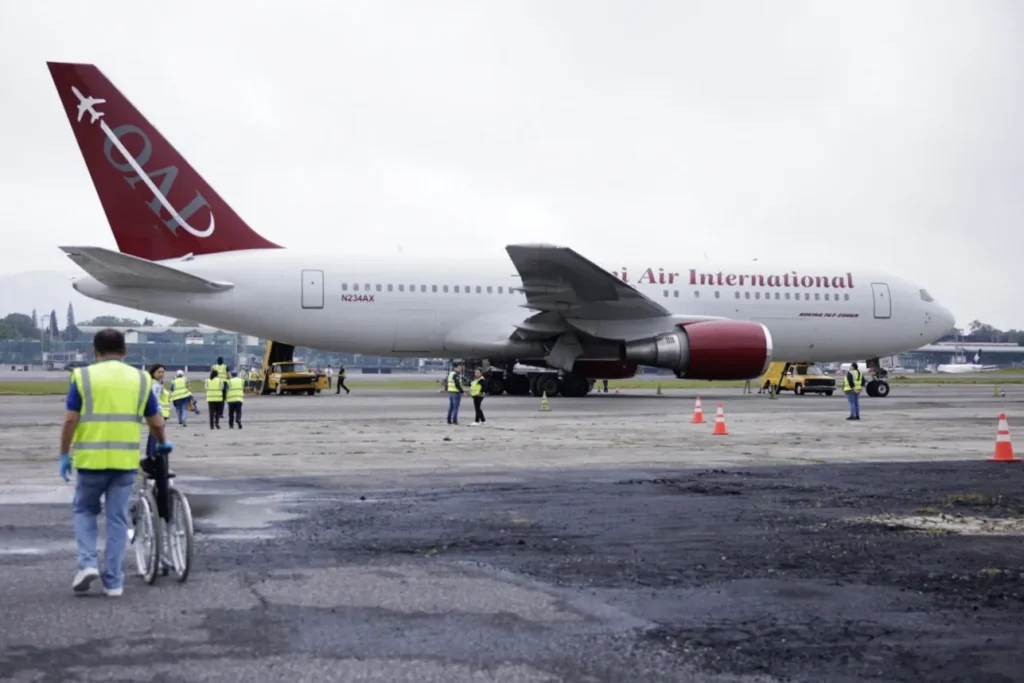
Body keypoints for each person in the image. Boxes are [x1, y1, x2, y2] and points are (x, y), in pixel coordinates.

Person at [59, 328, 171, 597]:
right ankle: (114, 581)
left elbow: (70, 419)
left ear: (94, 351)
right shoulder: (140, 379)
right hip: (124, 462)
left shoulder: (83, 376)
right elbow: (156, 420)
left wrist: (64, 453)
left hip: (90, 461)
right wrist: (162, 441)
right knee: (117, 519)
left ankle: (87, 564)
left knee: (85, 511)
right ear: (125, 351)